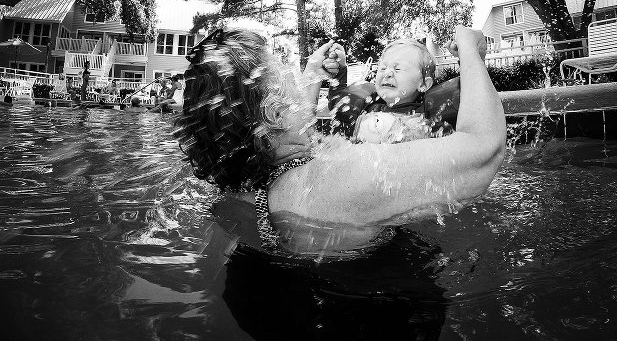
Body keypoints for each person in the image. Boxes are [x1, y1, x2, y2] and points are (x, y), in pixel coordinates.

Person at [175, 25, 506, 254]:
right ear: (274, 110)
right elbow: (484, 147)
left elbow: (284, 133)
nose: (292, 74)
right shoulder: (348, 176)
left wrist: (313, 73)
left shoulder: (236, 192)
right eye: (283, 71)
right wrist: (470, 49)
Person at [325, 39, 455, 138]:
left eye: (398, 68)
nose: (387, 73)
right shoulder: (366, 108)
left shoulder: (429, 118)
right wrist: (339, 73)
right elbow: (337, 109)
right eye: (382, 68)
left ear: (423, 85)